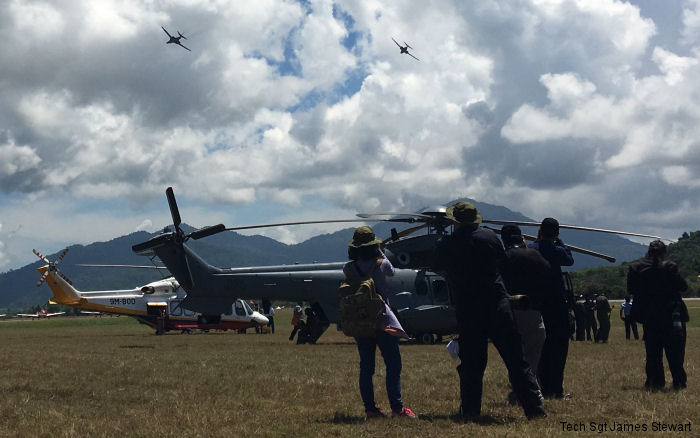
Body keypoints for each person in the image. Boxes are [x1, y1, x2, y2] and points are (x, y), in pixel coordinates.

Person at [434, 202, 546, 420]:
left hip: (468, 309)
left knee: (472, 364)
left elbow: (437, 264)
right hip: (497, 305)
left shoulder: (447, 243)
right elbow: (502, 263)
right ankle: (535, 410)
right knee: (516, 361)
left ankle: (471, 410)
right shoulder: (490, 237)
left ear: (454, 221)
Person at [343, 226, 416, 419]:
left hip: (361, 321)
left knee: (366, 367)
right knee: (393, 365)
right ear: (373, 245)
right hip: (383, 321)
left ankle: (370, 409)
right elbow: (392, 271)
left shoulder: (348, 268)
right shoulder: (382, 264)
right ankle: (397, 409)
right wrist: (381, 249)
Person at [499, 224, 550, 405]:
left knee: (515, 360)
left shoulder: (503, 258)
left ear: (503, 240)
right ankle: (530, 393)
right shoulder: (536, 256)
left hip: (510, 314)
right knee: (532, 360)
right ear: (521, 238)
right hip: (534, 314)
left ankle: (523, 393)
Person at [628, 240, 689, 390]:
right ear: (663, 253)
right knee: (675, 351)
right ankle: (678, 381)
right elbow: (683, 286)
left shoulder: (635, 268)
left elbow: (631, 289)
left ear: (649, 251)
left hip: (650, 316)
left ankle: (655, 381)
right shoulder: (669, 267)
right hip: (671, 315)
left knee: (653, 352)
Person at [528, 217, 574, 399]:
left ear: (540, 230)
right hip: (557, 304)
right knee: (559, 348)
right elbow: (569, 259)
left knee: (542, 346)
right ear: (556, 233)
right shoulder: (558, 250)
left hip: (538, 304)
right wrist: (560, 242)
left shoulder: (532, 249)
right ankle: (556, 388)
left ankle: (543, 386)